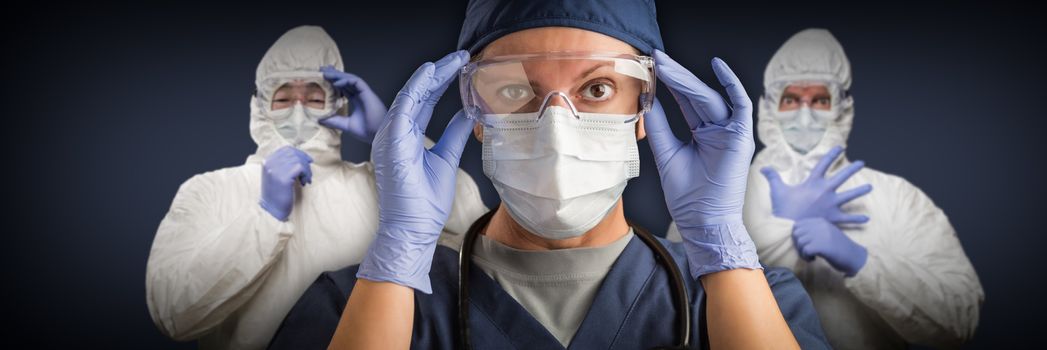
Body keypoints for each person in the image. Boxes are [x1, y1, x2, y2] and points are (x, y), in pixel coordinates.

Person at [268, 2, 830, 349]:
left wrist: (720, 246)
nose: (557, 127)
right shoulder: (351, 305)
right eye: (515, 90)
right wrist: (398, 253)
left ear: (645, 108)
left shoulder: (750, 301)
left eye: (597, 89)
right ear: (476, 116)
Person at [145, 25, 487, 349]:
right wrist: (263, 220)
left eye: (313, 97)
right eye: (282, 97)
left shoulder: (379, 186)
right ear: (260, 105)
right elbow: (172, 313)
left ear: (338, 102)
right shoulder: (210, 191)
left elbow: (481, 248)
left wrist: (394, 140)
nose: (297, 111)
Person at [670, 28, 985, 349]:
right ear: (768, 106)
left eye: (820, 100)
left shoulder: (895, 198)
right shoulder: (719, 189)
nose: (804, 115)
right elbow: (672, 304)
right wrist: (776, 234)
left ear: (842, 108)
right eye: (790, 99)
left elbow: (961, 320)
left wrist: (860, 260)